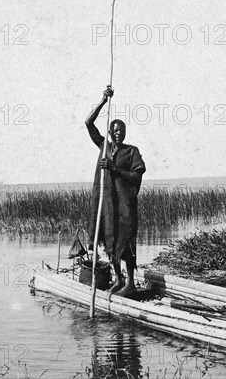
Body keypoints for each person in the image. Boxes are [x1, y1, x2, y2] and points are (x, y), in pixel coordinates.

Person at [85, 86, 146, 297]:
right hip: (107, 206)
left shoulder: (132, 152)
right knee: (110, 242)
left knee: (125, 243)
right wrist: (103, 100)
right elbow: (88, 123)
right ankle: (119, 280)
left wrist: (115, 169)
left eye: (123, 131)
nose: (119, 133)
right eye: (116, 131)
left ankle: (130, 283)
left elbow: (136, 177)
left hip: (125, 207)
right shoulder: (104, 146)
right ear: (111, 133)